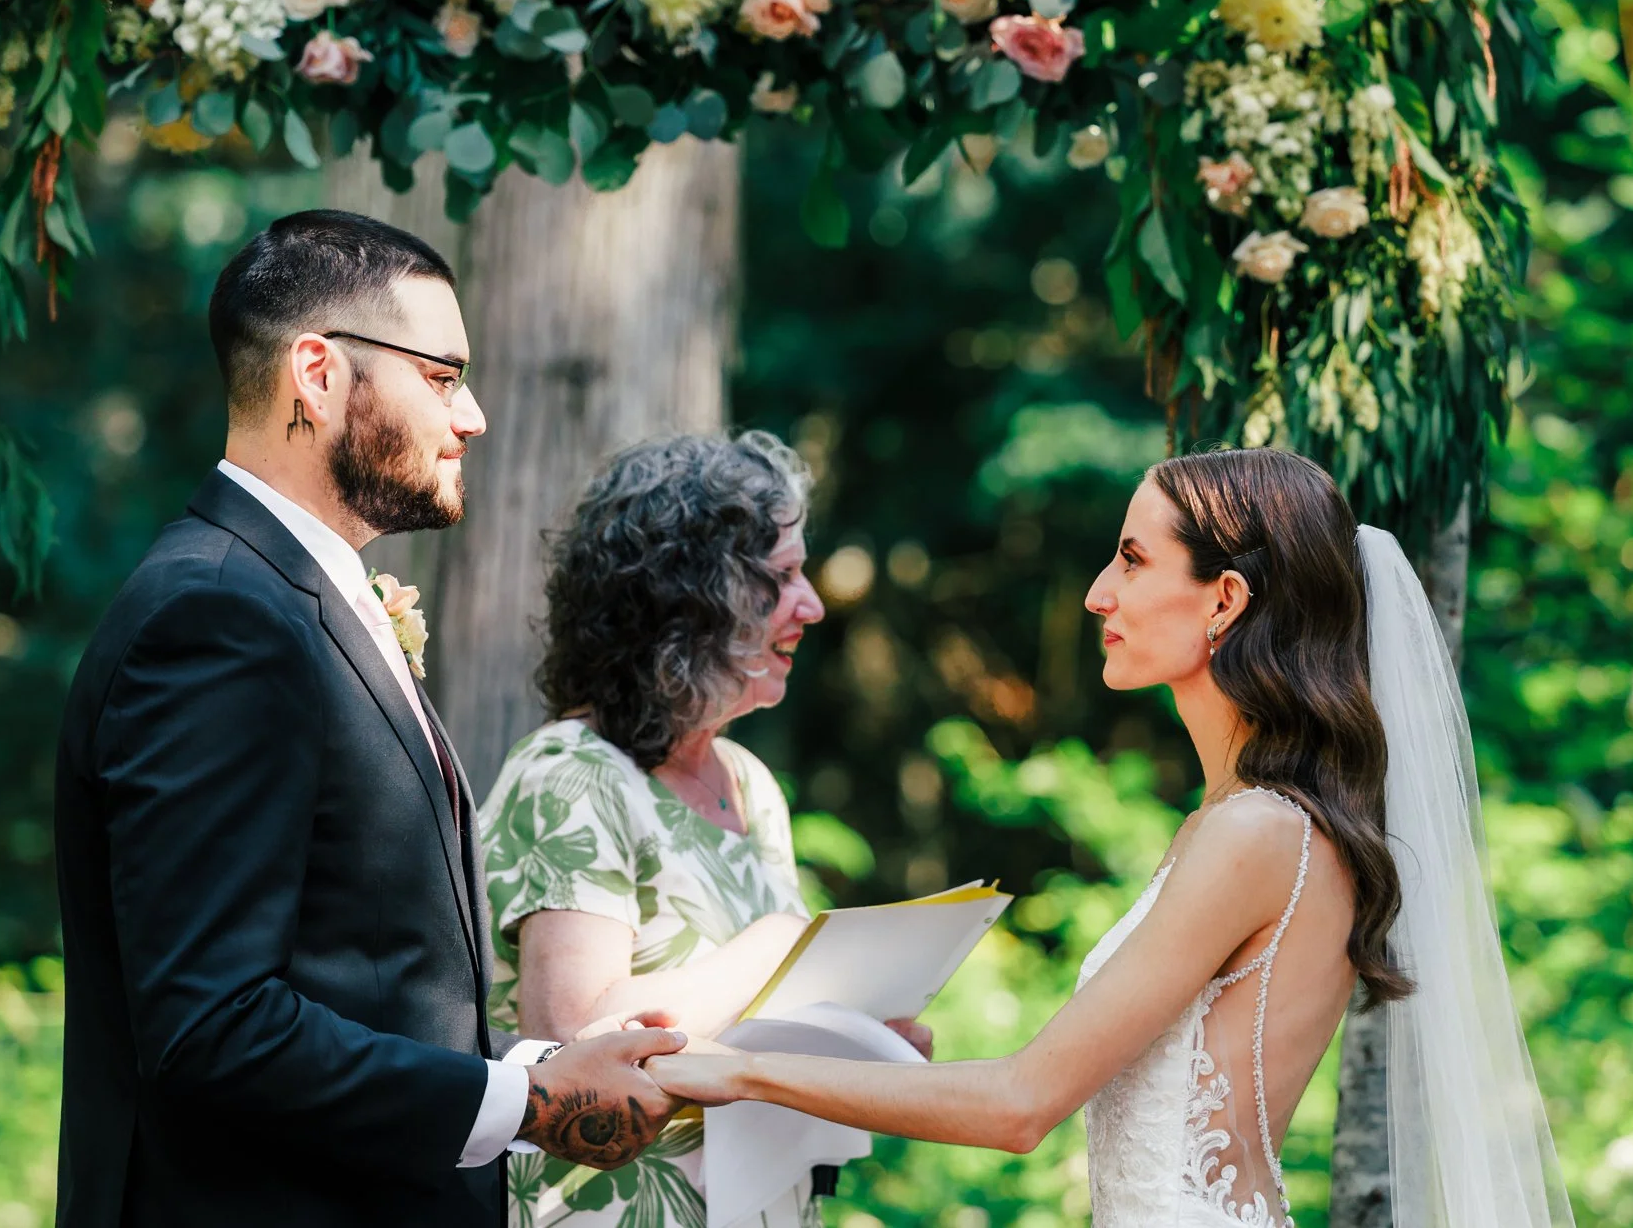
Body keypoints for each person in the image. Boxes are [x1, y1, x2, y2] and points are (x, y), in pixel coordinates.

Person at [645, 447, 1576, 1228]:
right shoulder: (1253, 820)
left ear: (1225, 600)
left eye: (1132, 560)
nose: (1097, 594)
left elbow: (1019, 1105)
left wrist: (739, 1071)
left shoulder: (1255, 832)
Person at [53, 210, 687, 1228]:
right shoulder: (214, 616)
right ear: (316, 372)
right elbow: (211, 1026)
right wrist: (525, 1102)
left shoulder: (294, 598)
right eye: (442, 376)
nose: (471, 415)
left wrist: (536, 1067)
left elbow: (364, 975)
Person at [479, 432, 929, 1228]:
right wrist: (780, 944)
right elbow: (573, 1040)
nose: (813, 603)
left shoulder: (751, 784)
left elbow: (749, 1032)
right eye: (784, 575)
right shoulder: (568, 773)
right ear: (692, 596)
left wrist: (858, 1039)